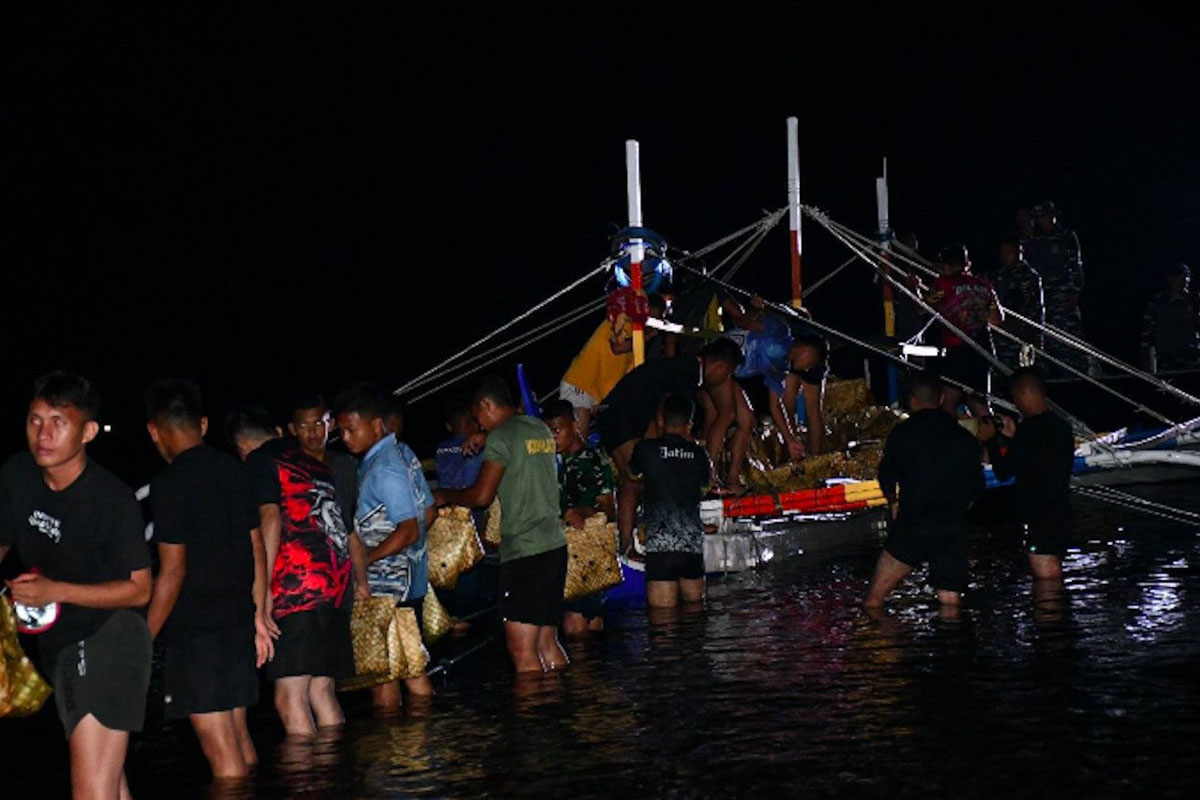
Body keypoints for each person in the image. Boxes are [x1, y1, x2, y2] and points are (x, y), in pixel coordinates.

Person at [0, 372, 152, 800]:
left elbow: (141, 589)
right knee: (109, 785)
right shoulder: (16, 475)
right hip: (61, 645)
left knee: (90, 790)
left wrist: (56, 590)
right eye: (34, 420)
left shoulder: (112, 500)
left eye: (57, 423)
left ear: (87, 431)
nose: (43, 434)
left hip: (112, 636)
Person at [144, 378, 261, 779]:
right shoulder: (236, 471)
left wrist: (143, 640)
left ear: (154, 431)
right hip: (238, 617)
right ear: (204, 424)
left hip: (197, 629)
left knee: (220, 750)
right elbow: (256, 547)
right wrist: (259, 613)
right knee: (240, 738)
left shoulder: (169, 485)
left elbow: (172, 572)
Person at [243, 394, 365, 737]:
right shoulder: (321, 466)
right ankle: (336, 777)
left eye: (318, 424)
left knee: (289, 698)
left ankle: (307, 786)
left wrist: (263, 591)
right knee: (320, 691)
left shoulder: (264, 461)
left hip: (299, 589)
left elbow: (271, 522)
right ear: (289, 429)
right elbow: (345, 530)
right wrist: (359, 582)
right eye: (305, 426)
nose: (312, 432)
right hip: (333, 589)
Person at [432, 376, 569, 673]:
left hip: (525, 552)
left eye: (477, 418)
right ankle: (561, 711)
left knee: (522, 651)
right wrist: (487, 437)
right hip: (554, 546)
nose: (477, 425)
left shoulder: (501, 437)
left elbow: (481, 496)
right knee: (548, 643)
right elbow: (515, 443)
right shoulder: (539, 428)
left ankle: (534, 718)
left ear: (485, 406)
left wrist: (444, 495)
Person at [334, 383, 435, 708]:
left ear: (375, 425)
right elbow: (427, 513)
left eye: (351, 430)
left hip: (390, 585)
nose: (345, 438)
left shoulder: (386, 469)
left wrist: (365, 560)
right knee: (409, 670)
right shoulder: (399, 456)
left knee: (383, 676)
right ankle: (421, 745)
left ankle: (392, 752)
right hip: (405, 581)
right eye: (342, 432)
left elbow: (408, 530)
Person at [594, 338, 740, 552]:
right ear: (721, 367)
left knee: (632, 481)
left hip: (613, 414)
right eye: (728, 374)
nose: (726, 379)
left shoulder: (685, 367)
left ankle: (627, 546)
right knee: (657, 475)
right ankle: (671, 531)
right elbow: (664, 412)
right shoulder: (687, 373)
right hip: (625, 417)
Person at [864, 372, 984, 609]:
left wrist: (893, 503)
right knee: (950, 604)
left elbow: (887, 476)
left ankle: (884, 635)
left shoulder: (902, 434)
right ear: (941, 399)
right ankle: (951, 642)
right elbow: (976, 488)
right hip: (950, 527)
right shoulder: (964, 438)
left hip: (913, 523)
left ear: (912, 401)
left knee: (874, 602)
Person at [977, 368, 1075, 579]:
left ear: (1022, 394)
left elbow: (1004, 472)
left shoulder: (1030, 431)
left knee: (1046, 575)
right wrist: (1015, 437)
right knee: (1053, 568)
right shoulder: (1061, 427)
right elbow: (1038, 457)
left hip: (1039, 515)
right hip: (1060, 511)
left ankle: (1049, 611)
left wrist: (991, 440)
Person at [717, 294, 828, 463]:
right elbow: (744, 321)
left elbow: (776, 405)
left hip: (733, 371)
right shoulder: (779, 327)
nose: (806, 370)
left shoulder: (782, 365)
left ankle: (808, 460)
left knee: (745, 420)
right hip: (721, 359)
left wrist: (790, 440)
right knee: (726, 415)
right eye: (807, 366)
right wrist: (756, 309)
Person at [629, 393, 712, 608]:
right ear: (689, 425)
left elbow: (631, 477)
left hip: (660, 548)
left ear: (661, 421)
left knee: (663, 624)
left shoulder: (645, 450)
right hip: (691, 546)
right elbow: (704, 488)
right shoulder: (699, 454)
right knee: (695, 617)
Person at [544, 399, 615, 635]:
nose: (553, 436)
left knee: (574, 622)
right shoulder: (564, 463)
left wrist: (579, 512)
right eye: (549, 431)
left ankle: (580, 671)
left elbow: (607, 506)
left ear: (575, 425)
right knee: (591, 621)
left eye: (557, 429)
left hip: (585, 553)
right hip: (581, 555)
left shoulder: (590, 459)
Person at [559, 295, 671, 440]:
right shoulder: (622, 319)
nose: (652, 325)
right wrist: (646, 337)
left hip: (597, 395)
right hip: (581, 383)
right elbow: (617, 347)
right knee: (576, 440)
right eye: (652, 318)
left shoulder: (639, 345)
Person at [923, 244, 1002, 417]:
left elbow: (922, 307)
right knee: (979, 403)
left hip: (958, 352)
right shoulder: (985, 286)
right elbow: (996, 320)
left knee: (948, 404)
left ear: (946, 266)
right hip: (983, 349)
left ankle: (952, 441)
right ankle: (994, 440)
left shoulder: (943, 284)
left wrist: (914, 286)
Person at [1022, 201, 1087, 372]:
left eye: (1043, 217)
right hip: (1041, 299)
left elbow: (1075, 267)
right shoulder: (1032, 240)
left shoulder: (1066, 237)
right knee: (1043, 341)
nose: (1040, 221)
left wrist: (1073, 292)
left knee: (1068, 339)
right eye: (1037, 218)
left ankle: (1073, 373)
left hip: (1063, 298)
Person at [991, 240, 1045, 370]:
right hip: (1001, 332)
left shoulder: (1029, 276)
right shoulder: (999, 274)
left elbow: (1036, 308)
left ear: (1019, 252)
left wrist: (1036, 335)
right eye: (1002, 253)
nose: (1004, 256)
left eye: (1008, 253)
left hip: (1022, 333)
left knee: (1022, 370)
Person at [1140, 263, 1200, 372]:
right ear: (1169, 279)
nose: (1183, 281)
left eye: (1186, 277)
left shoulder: (1195, 300)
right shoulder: (1158, 302)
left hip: (1193, 360)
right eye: (1178, 277)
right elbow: (1147, 335)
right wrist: (1148, 365)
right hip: (1167, 362)